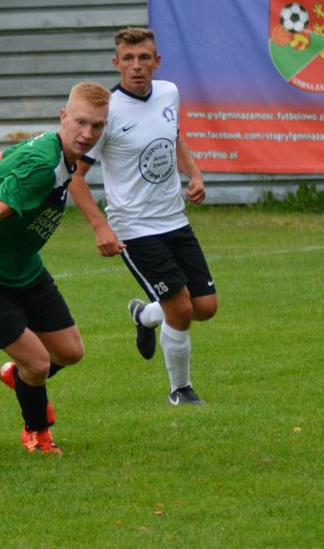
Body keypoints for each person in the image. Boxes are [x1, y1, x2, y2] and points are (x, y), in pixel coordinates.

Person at [0, 81, 110, 455]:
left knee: (70, 352)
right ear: (64, 117)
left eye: (97, 126)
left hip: (23, 267)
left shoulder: (52, 149)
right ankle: (37, 433)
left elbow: (0, 159)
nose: (87, 133)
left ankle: (21, 377)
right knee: (39, 361)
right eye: (80, 122)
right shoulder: (42, 167)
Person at [68, 27, 218, 406]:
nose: (137, 66)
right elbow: (74, 177)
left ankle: (146, 316)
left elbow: (174, 136)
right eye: (129, 59)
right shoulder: (105, 114)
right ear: (116, 63)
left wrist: (195, 174)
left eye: (144, 58)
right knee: (182, 309)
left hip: (175, 219)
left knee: (205, 307)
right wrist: (101, 227)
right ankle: (180, 390)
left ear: (157, 62)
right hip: (134, 229)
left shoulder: (169, 93)